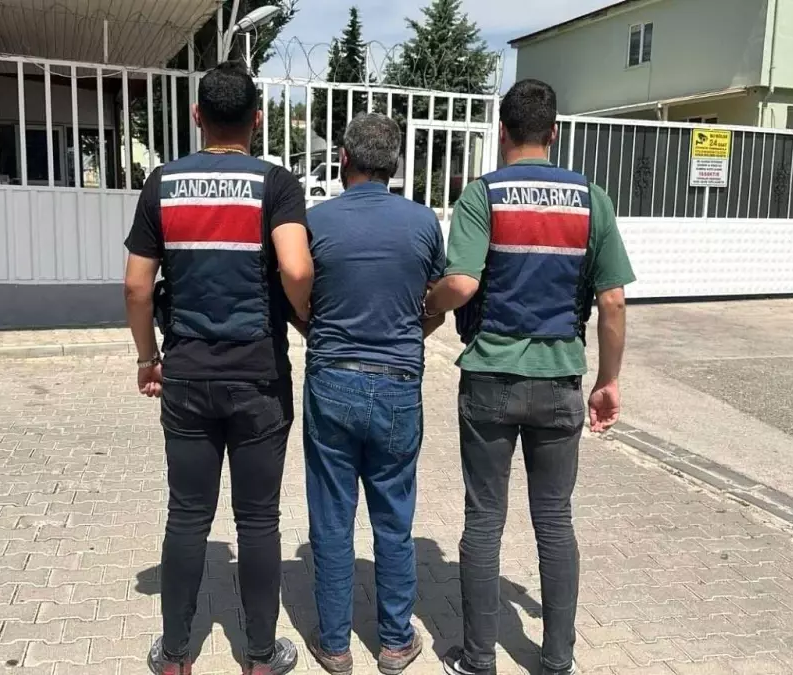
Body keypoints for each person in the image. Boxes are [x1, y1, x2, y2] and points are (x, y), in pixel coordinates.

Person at [423, 79, 635, 675]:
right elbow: (613, 300)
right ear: (554, 133)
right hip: (560, 380)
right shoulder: (591, 200)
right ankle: (558, 659)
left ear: (502, 132)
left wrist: (426, 307)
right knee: (555, 521)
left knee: (484, 520)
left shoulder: (482, 196)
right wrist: (608, 380)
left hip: (490, 379)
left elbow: (461, 284)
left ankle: (478, 659)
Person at [122, 60, 313, 675]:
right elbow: (297, 269)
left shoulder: (162, 184)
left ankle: (175, 655)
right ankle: (260, 655)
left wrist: (148, 358)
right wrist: (306, 317)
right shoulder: (275, 184)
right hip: (259, 377)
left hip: (186, 374)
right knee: (258, 520)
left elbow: (136, 287)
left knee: (186, 515)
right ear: (257, 119)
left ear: (197, 116)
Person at [300, 113, 445, 675]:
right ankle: (395, 642)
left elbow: (295, 289)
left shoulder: (316, 221)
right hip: (398, 384)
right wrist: (411, 334)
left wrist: (315, 332)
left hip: (332, 378)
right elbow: (435, 297)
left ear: (343, 159)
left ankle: (335, 645)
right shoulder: (422, 222)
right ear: (395, 164)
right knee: (393, 516)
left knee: (331, 517)